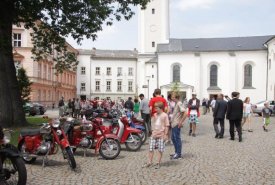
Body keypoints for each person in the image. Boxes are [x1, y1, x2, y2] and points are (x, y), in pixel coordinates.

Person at [142, 101, 169, 169]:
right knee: (151, 149)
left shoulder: (165, 115)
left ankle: (158, 163)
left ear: (161, 108)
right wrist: (152, 131)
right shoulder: (155, 115)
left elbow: (167, 125)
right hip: (154, 134)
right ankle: (149, 162)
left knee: (160, 149)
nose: (155, 109)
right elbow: (153, 123)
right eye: (155, 108)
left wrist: (165, 135)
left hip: (161, 135)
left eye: (156, 108)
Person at [170, 94, 187, 159]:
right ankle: (176, 152)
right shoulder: (176, 103)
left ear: (177, 97)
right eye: (172, 97)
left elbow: (185, 113)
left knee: (177, 138)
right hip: (174, 123)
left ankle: (178, 154)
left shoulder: (179, 103)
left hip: (176, 123)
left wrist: (181, 122)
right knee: (173, 138)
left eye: (173, 97)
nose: (172, 99)